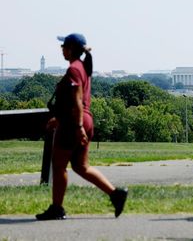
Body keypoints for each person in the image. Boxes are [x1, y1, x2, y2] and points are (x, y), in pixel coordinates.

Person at [36, 33, 128, 220]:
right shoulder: (83, 68)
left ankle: (57, 208)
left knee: (59, 165)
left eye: (63, 46)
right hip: (83, 119)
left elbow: (76, 101)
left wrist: (77, 127)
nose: (61, 49)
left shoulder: (74, 70)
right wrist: (61, 119)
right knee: (81, 166)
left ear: (70, 49)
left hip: (75, 122)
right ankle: (116, 194)